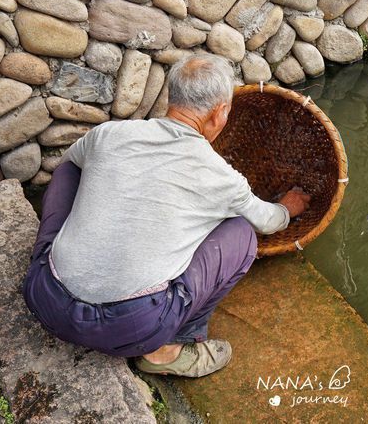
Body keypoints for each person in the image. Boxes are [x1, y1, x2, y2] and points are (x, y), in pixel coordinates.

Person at [23, 53, 311, 377]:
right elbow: (269, 222)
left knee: (67, 171)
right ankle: (168, 350)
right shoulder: (222, 177)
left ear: (171, 99)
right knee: (242, 234)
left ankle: (57, 255)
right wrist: (288, 207)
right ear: (221, 113)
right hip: (126, 329)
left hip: (44, 295)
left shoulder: (110, 134)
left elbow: (72, 163)